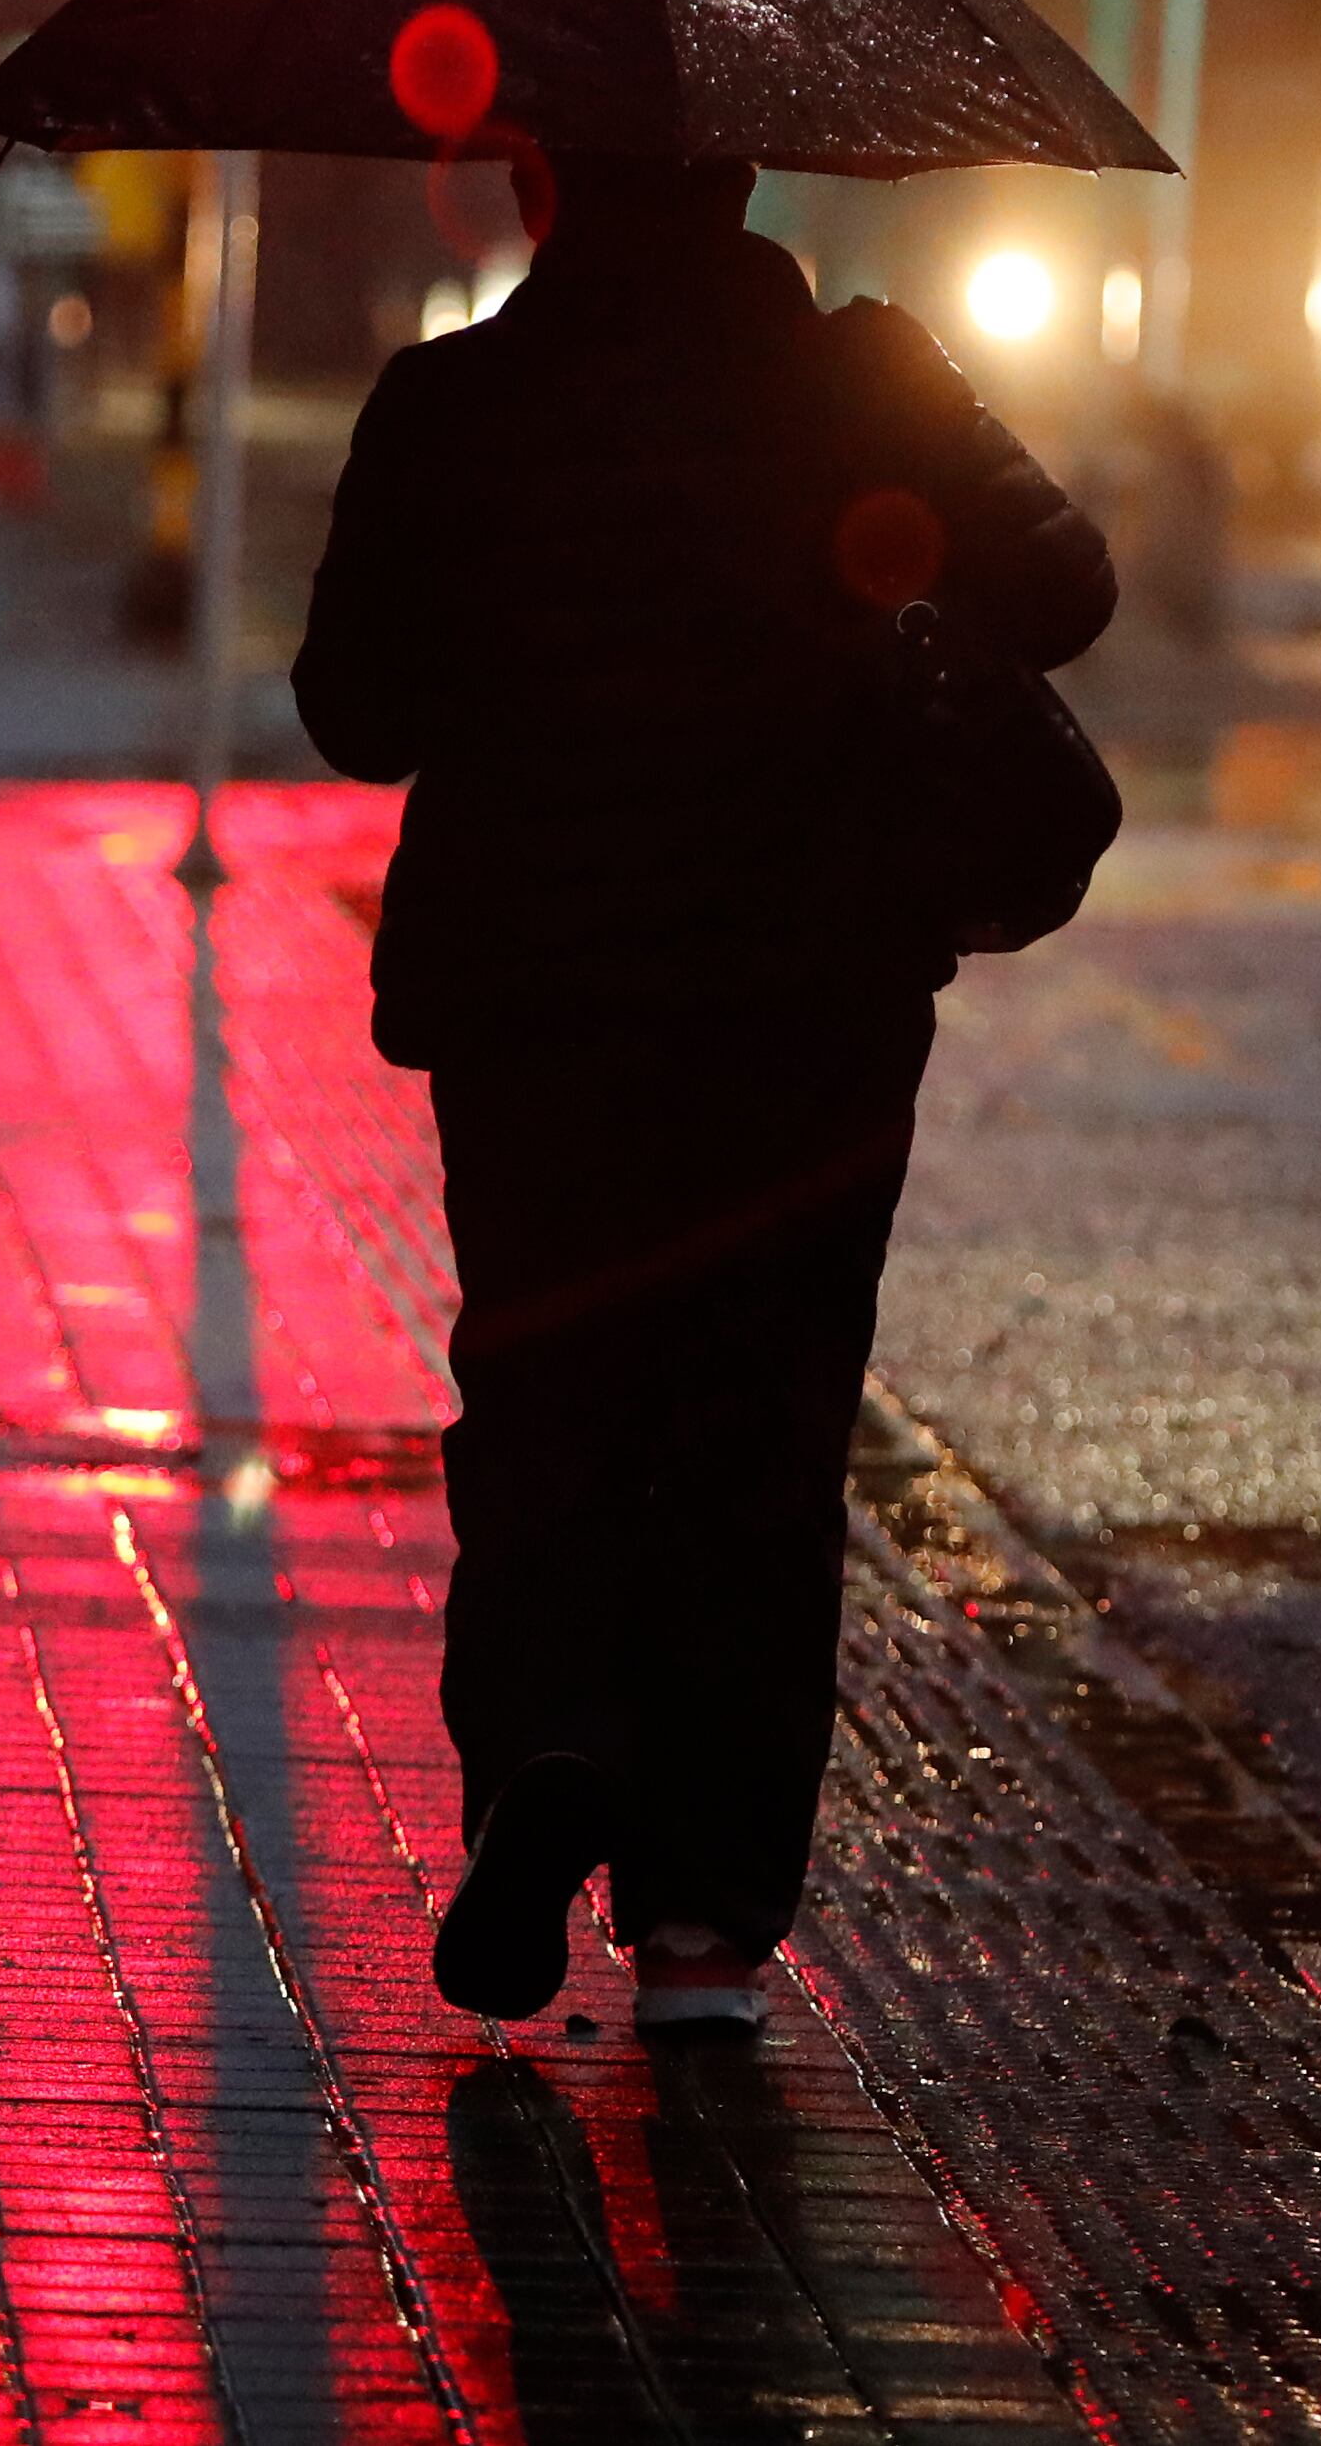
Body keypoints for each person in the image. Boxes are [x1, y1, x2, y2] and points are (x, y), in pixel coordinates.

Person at [293, 154, 1111, 2040]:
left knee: (549, 1389)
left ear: (533, 183)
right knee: (762, 1423)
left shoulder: (455, 400)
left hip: (539, 1004)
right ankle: (704, 1921)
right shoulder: (855, 383)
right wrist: (911, 428)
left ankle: (550, 1747)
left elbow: (358, 707)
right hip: (804, 1007)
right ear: (750, 173)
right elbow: (1066, 587)